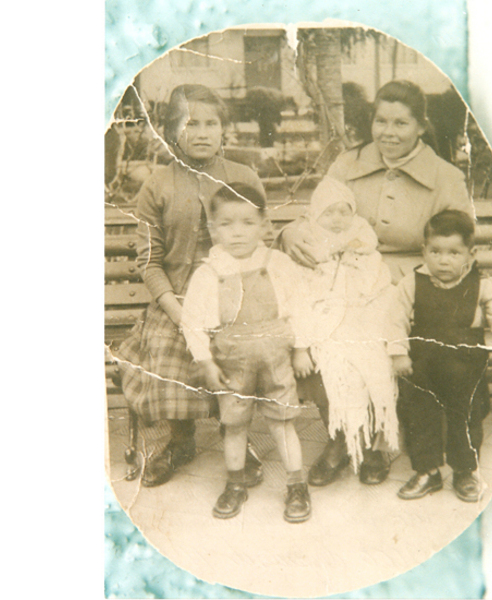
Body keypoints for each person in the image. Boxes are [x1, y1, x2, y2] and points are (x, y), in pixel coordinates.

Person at [281, 80, 475, 486]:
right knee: (319, 338)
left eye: (401, 123)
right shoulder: (347, 164)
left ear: (421, 126)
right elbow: (316, 212)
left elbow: (457, 242)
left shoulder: (446, 177)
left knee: (378, 337)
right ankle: (341, 435)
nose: (389, 132)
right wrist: (290, 232)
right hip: (340, 280)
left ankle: (377, 443)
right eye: (381, 121)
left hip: (410, 284)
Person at [116, 85, 265, 488]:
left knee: (238, 353)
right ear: (172, 130)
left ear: (223, 130)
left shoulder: (243, 177)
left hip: (236, 297)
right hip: (177, 300)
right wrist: (178, 311)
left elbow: (259, 242)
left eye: (210, 123)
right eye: (189, 123)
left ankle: (236, 436)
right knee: (166, 355)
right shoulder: (158, 184)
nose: (201, 132)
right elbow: (148, 259)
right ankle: (174, 442)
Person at [182, 184, 313, 523]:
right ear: (212, 228)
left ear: (263, 225)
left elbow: (301, 307)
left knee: (283, 423)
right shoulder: (209, 272)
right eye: (226, 224)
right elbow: (192, 323)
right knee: (235, 424)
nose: (237, 233)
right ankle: (235, 483)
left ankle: (297, 484)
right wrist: (206, 362)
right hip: (232, 362)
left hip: (277, 358)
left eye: (247, 223)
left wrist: (301, 350)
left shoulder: (278, 263)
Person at [390, 210, 492, 502]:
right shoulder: (411, 283)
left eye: (454, 252)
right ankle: (427, 471)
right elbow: (395, 320)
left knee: (466, 417)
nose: (444, 259)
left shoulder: (482, 284)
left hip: (466, 365)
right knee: (419, 415)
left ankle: (464, 470)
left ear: (470, 253)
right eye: (436, 251)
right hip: (421, 364)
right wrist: (399, 353)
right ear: (424, 250)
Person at [296, 176, 399, 472]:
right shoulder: (310, 243)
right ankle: (340, 436)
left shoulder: (362, 241)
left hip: (363, 314)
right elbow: (304, 292)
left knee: (372, 358)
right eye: (329, 212)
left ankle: (372, 442)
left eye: (344, 211)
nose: (338, 219)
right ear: (316, 215)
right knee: (330, 360)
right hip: (326, 318)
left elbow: (376, 280)